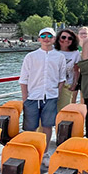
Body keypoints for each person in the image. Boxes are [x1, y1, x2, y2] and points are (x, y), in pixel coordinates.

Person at [19, 27, 66, 166]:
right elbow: (24, 78)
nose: (46, 38)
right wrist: (25, 98)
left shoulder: (59, 57)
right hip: (33, 96)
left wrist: (57, 93)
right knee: (30, 127)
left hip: (50, 95)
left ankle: (45, 153)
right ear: (39, 38)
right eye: (43, 35)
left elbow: (61, 78)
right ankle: (31, 152)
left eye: (49, 36)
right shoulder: (31, 56)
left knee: (47, 125)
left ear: (54, 39)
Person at [54, 29, 81, 111]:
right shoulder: (52, 50)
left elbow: (76, 70)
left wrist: (74, 84)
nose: (66, 40)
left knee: (64, 111)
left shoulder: (75, 53)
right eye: (63, 37)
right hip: (52, 85)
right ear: (58, 38)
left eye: (70, 38)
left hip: (67, 86)